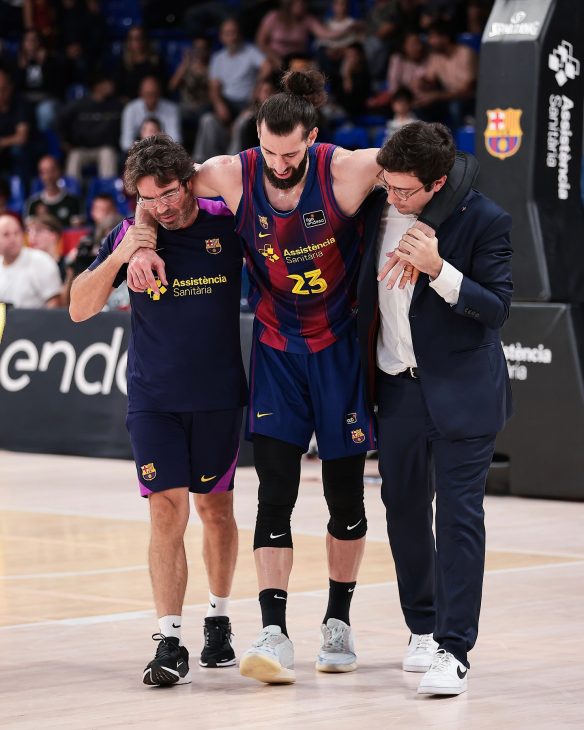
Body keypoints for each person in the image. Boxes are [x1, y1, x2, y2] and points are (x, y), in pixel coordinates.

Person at [128, 70, 468, 686]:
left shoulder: (350, 169)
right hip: (277, 348)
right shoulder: (233, 172)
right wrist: (145, 237)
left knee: (346, 495)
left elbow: (442, 167)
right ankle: (273, 631)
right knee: (275, 491)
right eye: (270, 152)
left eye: (291, 154)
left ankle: (338, 622)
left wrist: (428, 229)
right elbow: (157, 189)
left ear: (312, 138)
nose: (280, 165)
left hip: (339, 348)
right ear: (257, 139)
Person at [69, 135, 247, 687]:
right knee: (166, 512)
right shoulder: (130, 234)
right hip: (153, 400)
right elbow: (79, 308)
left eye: (169, 193)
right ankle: (169, 641)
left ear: (188, 181)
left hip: (218, 395)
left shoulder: (227, 221)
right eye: (149, 198)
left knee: (215, 510)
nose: (163, 207)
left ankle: (218, 619)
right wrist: (123, 254)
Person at [357, 121, 512, 696]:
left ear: (438, 182)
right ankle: (421, 628)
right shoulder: (372, 213)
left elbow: (496, 309)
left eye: (405, 190)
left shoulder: (485, 219)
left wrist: (440, 269)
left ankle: (454, 649)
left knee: (458, 517)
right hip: (397, 388)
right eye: (389, 186)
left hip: (463, 391)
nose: (394, 197)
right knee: (402, 510)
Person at [0, 213, 62, 308]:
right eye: (6, 235)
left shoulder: (42, 261)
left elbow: (54, 303)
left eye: (16, 233)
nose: (13, 239)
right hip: (4, 317)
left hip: (34, 317)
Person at [120, 76, 181, 153]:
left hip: (164, 152)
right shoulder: (131, 109)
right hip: (138, 153)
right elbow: (126, 143)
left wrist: (157, 149)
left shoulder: (171, 109)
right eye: (147, 94)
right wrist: (144, 150)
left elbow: (176, 140)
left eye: (154, 93)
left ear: (159, 93)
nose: (151, 98)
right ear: (140, 93)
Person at [24, 155, 84, 228]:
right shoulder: (33, 203)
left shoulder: (74, 201)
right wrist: (41, 219)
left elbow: (77, 230)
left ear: (59, 171)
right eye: (44, 172)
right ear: (40, 175)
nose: (49, 176)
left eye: (52, 171)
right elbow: (29, 230)